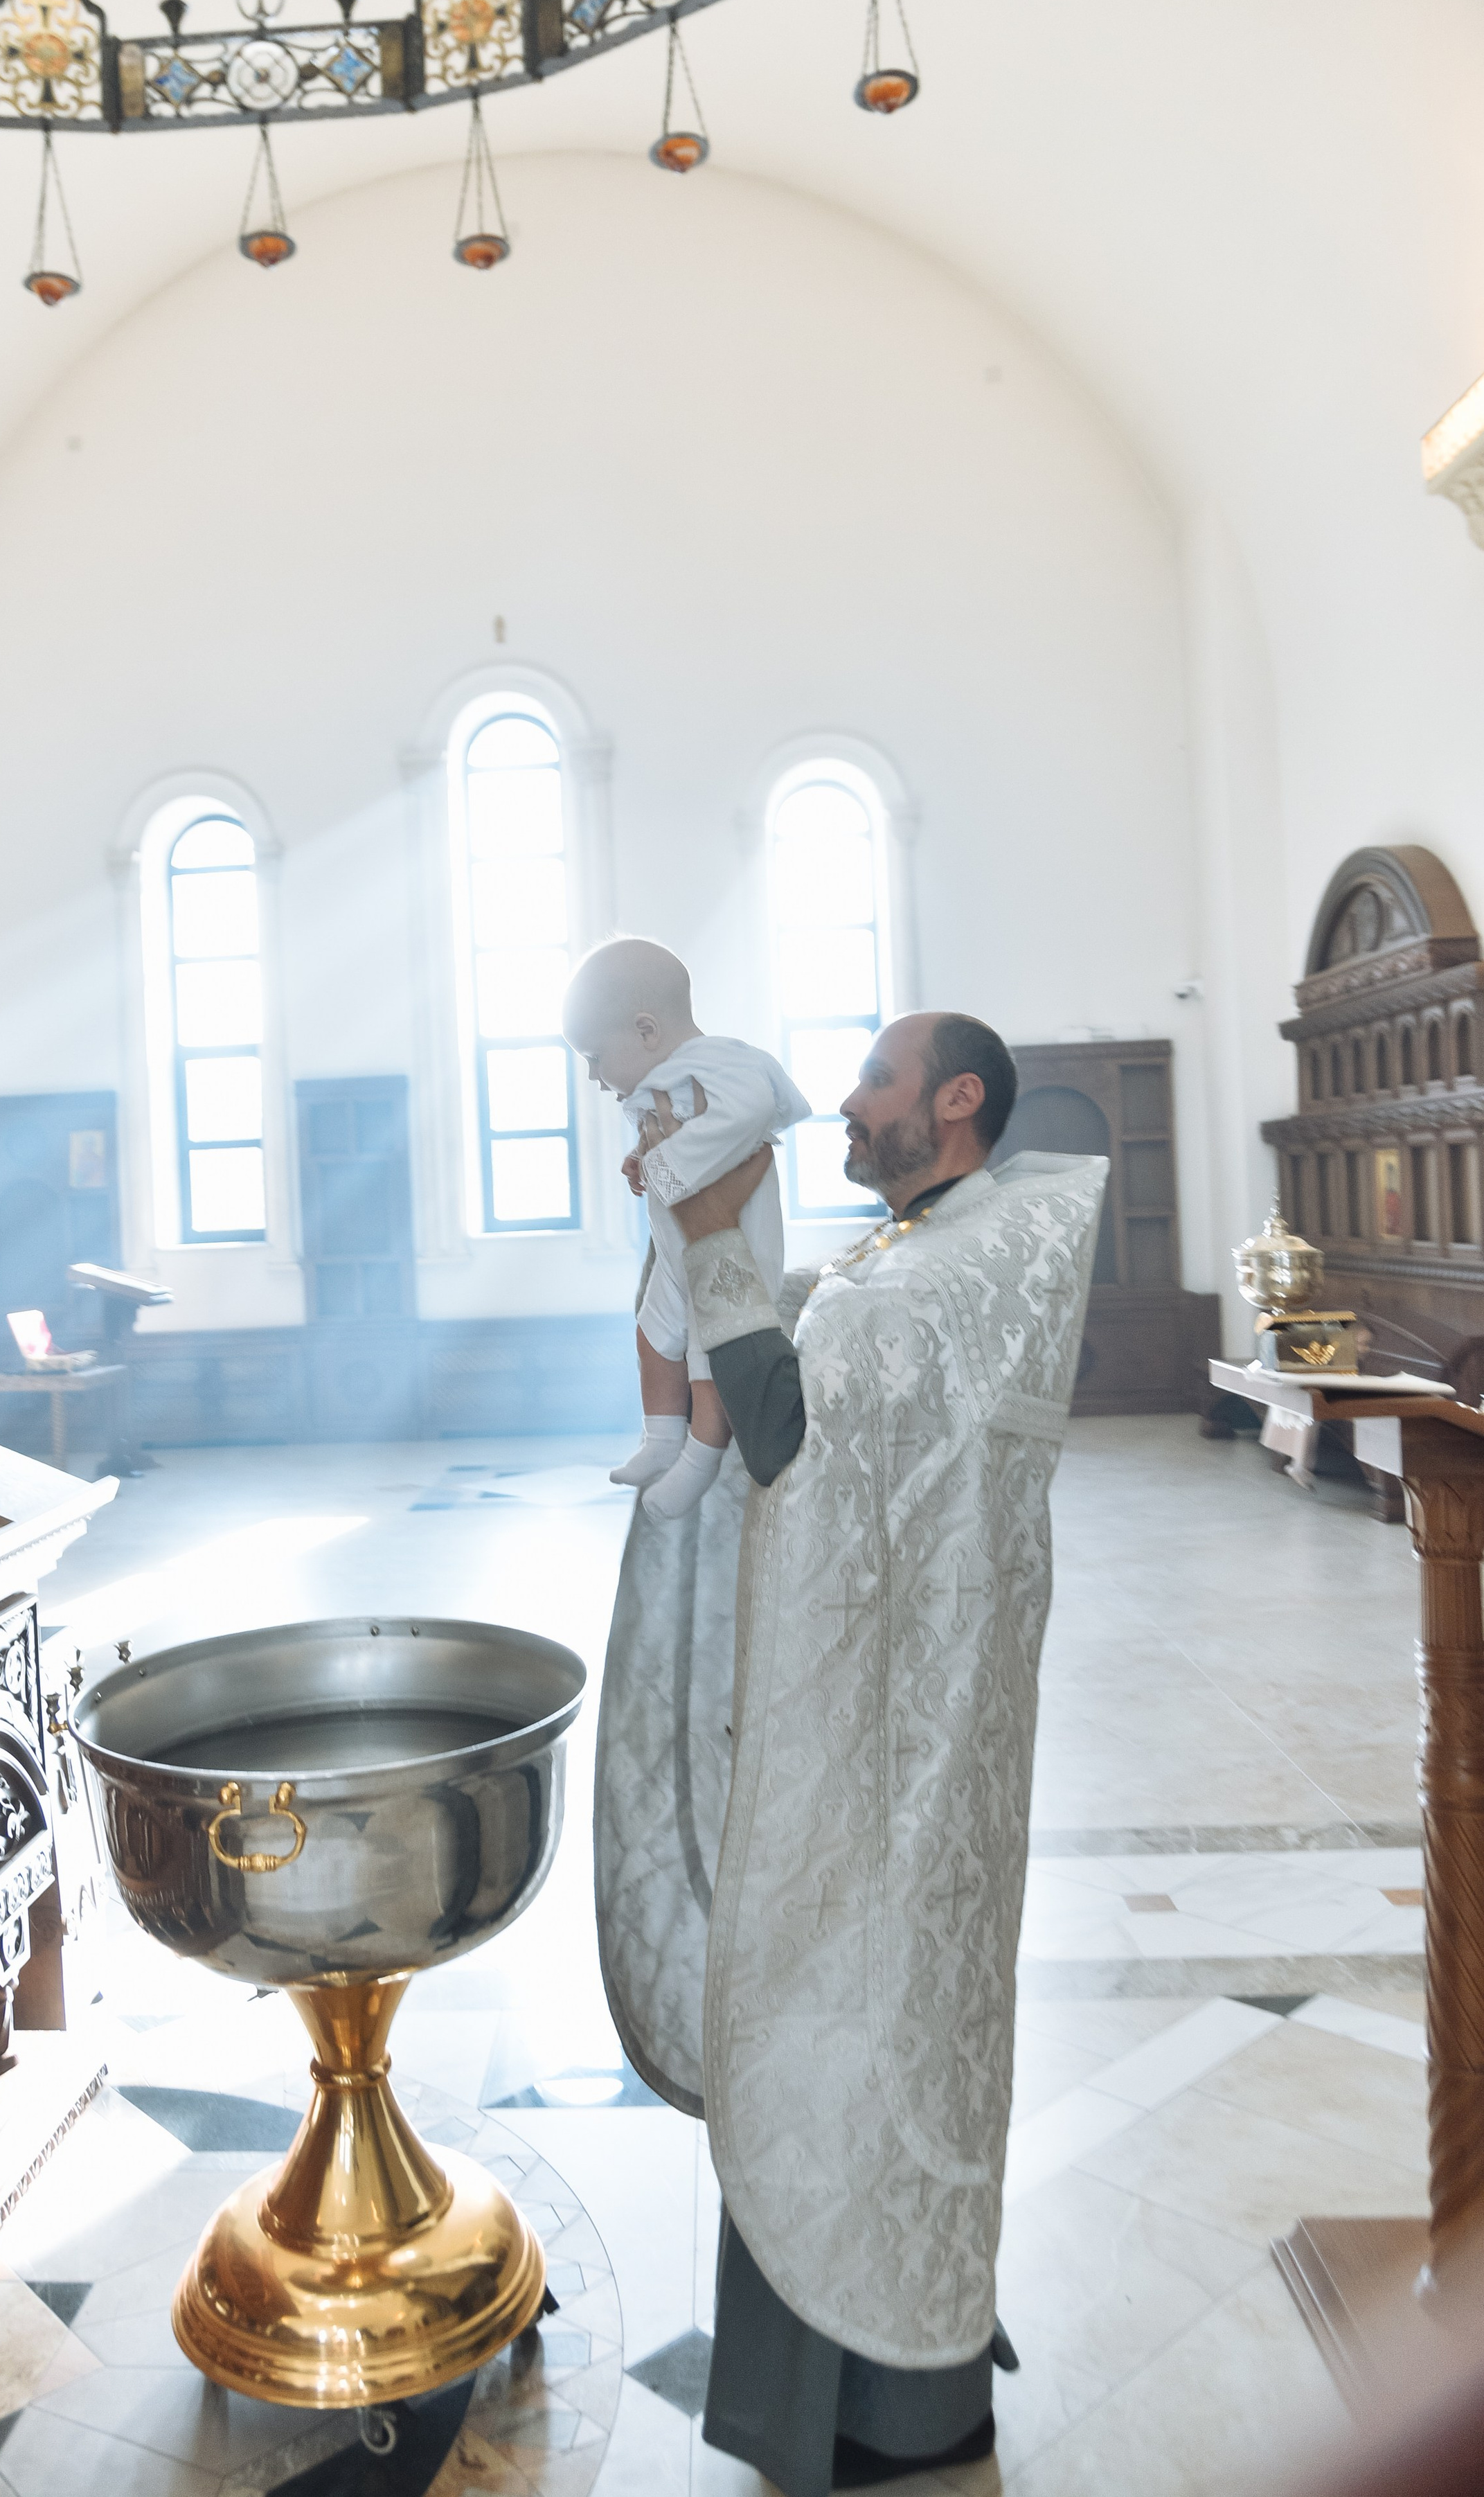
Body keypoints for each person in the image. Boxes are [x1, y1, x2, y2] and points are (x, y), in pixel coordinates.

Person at [592, 1009, 1107, 2494]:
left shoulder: (940, 1271)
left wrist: (710, 1230)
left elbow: (777, 1433)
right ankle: (903, 2363)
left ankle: (881, 2408)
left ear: (953, 1099)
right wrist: (709, 1232)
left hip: (887, 1757)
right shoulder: (937, 1251)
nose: (843, 1101)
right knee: (893, 2031)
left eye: (874, 1079)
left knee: (847, 2025)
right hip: (911, 1733)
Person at [562, 939, 808, 1523]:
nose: (594, 1077)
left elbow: (748, 1110)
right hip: (678, 1247)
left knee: (706, 1351)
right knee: (653, 1333)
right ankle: (661, 1439)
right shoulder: (666, 1079)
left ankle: (699, 1461)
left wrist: (668, 1167)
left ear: (647, 1029)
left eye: (595, 1057)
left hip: (735, 1247)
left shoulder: (723, 1060)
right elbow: (668, 1143)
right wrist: (640, 1159)